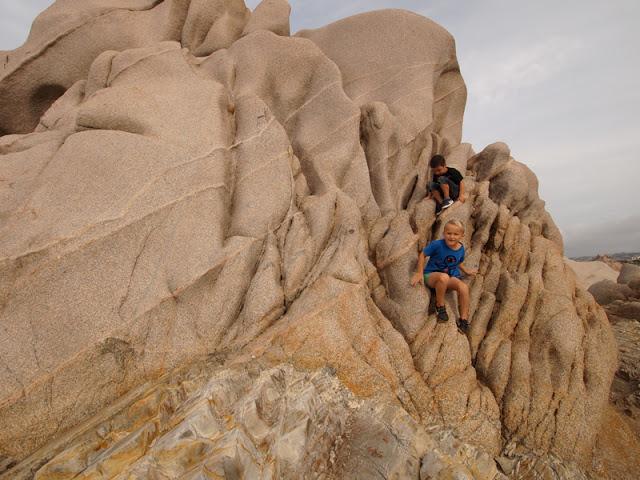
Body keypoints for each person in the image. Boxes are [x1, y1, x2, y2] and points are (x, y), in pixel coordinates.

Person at [410, 219, 478, 333]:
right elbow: (422, 255)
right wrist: (419, 273)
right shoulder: (437, 245)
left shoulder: (461, 248)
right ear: (443, 233)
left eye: (455, 234)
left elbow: (458, 261)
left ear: (462, 236)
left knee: (463, 287)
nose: (452, 237)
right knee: (443, 277)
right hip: (431, 276)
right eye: (449, 233)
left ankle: (464, 319)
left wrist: (466, 270)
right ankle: (440, 306)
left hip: (447, 278)